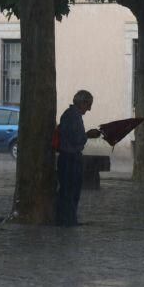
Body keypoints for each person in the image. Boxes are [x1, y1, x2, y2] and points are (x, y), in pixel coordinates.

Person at [56, 89, 101, 226]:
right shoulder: (71, 116)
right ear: (82, 103)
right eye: (88, 105)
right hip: (69, 159)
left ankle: (69, 219)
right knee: (70, 191)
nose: (89, 109)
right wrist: (88, 135)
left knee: (70, 190)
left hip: (70, 158)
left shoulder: (72, 115)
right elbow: (75, 138)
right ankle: (67, 220)